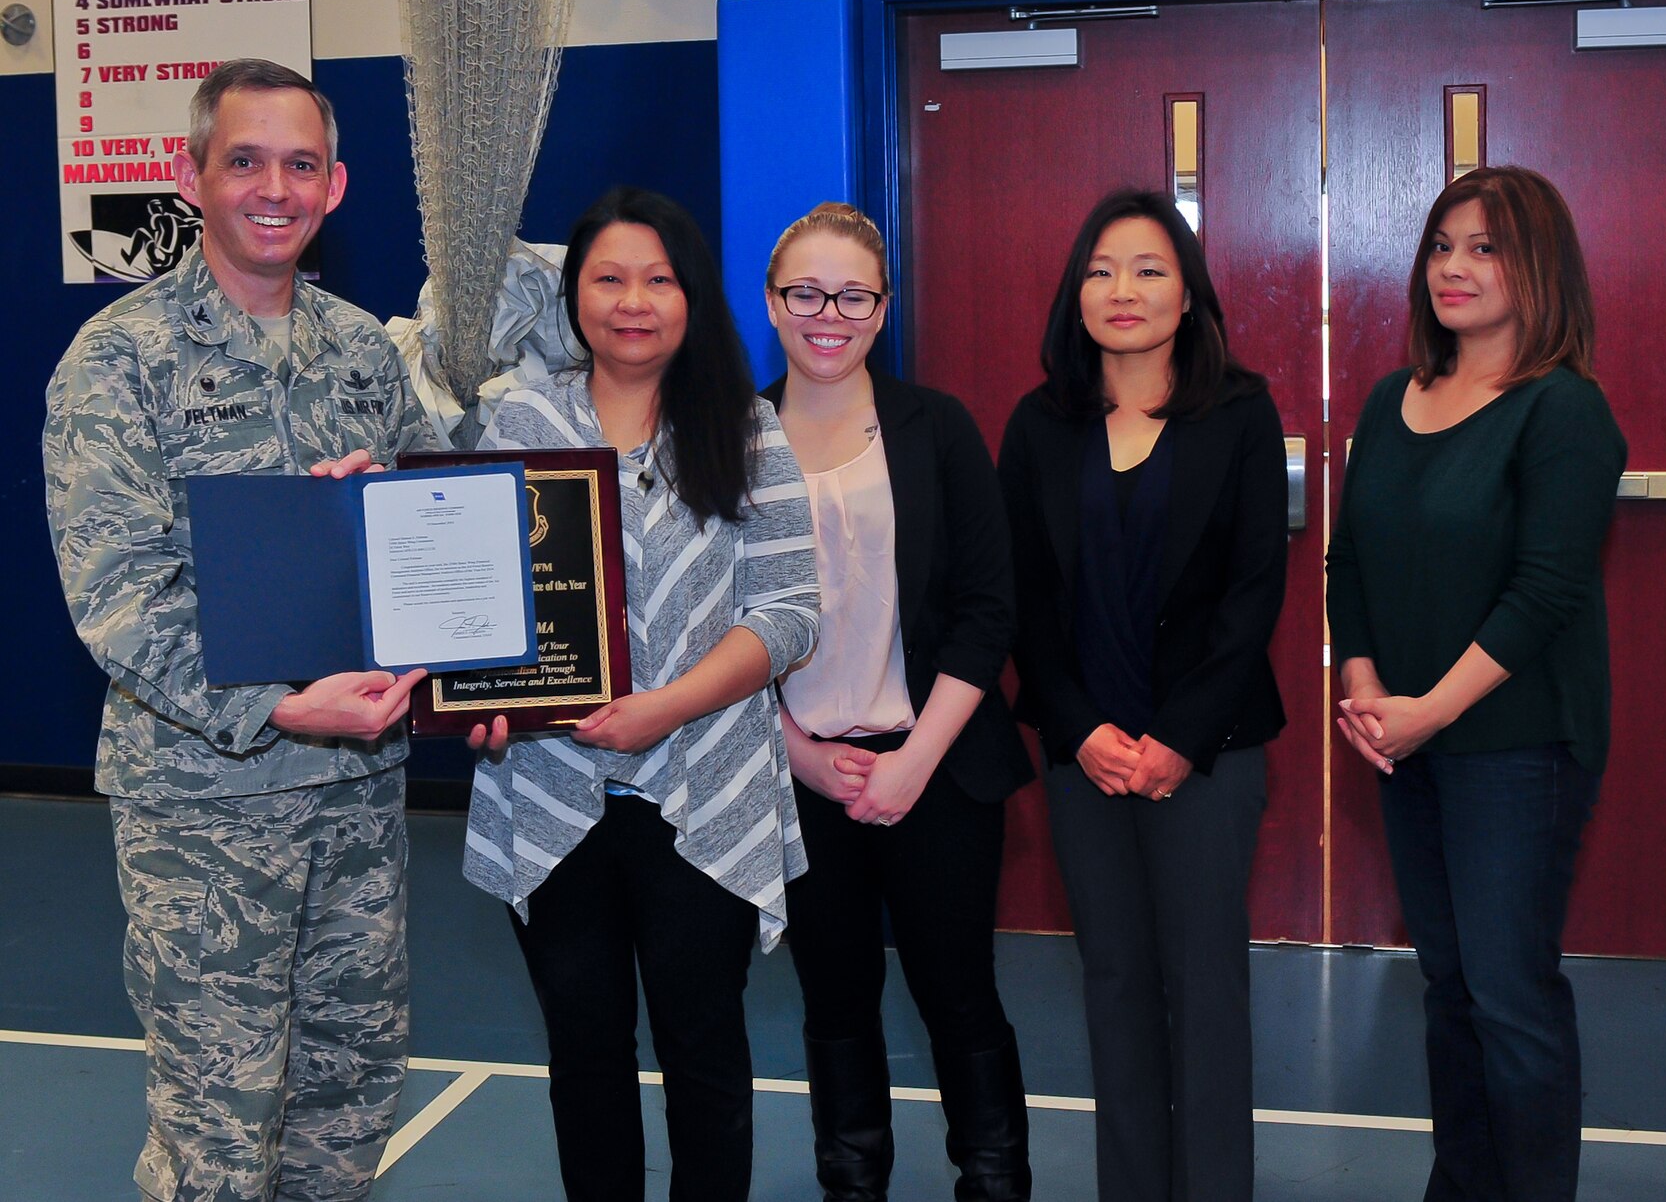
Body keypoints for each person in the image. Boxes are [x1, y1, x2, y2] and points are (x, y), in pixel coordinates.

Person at [43, 58, 434, 1202]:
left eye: (300, 163)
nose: (276, 187)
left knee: (348, 1095)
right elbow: (116, 592)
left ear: (337, 184)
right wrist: (271, 707)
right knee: (220, 1120)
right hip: (202, 811)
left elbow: (427, 542)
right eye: (246, 160)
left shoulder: (365, 352)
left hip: (358, 794)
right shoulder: (118, 362)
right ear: (192, 176)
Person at [459, 186, 818, 1202]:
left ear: (692, 296)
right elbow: (474, 608)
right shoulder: (520, 420)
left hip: (701, 792)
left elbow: (790, 610)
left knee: (705, 1055)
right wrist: (476, 695)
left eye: (657, 279)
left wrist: (667, 706)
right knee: (584, 1054)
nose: (632, 301)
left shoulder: (743, 425)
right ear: (573, 294)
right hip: (549, 794)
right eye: (608, 278)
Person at [1325, 165, 1626, 1202]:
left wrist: (1426, 713)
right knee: (1448, 990)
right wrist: (1367, 693)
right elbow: (1348, 561)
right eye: (1442, 244)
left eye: (1485, 247)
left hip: (1516, 747)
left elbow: (1543, 591)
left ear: (1537, 266)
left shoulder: (1563, 411)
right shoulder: (1387, 397)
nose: (1453, 267)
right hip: (1404, 740)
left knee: (1508, 995)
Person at [997, 187, 1287, 1202]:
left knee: (1203, 988)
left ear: (1188, 293)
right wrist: (1078, 731)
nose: (1122, 289)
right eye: (1100, 269)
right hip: (1083, 758)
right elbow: (1023, 600)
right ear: (1075, 293)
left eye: (1148, 269)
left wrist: (1174, 739)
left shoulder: (1241, 414)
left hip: (1204, 757)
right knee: (1113, 984)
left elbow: (1254, 593)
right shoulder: (1037, 425)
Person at [759, 202, 1035, 1200]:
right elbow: (707, 626)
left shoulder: (938, 429)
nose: (826, 313)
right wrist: (796, 752)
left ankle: (995, 1183)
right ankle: (852, 1185)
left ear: (881, 309)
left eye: (852, 294)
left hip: (940, 773)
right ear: (771, 301)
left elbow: (985, 609)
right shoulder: (733, 441)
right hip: (799, 779)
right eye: (805, 292)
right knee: (833, 1006)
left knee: (959, 999)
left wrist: (913, 760)